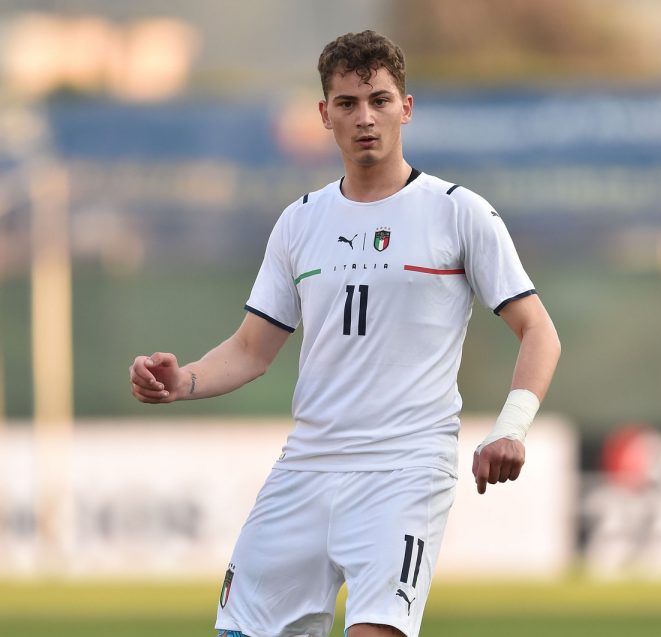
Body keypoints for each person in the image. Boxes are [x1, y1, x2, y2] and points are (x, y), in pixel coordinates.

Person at [129, 30, 560, 637]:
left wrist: (511, 428)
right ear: (324, 113)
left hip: (404, 471)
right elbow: (251, 349)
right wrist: (183, 381)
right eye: (348, 103)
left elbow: (538, 330)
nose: (365, 118)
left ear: (405, 108)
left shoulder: (458, 212)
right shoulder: (300, 221)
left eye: (379, 100)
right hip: (306, 467)